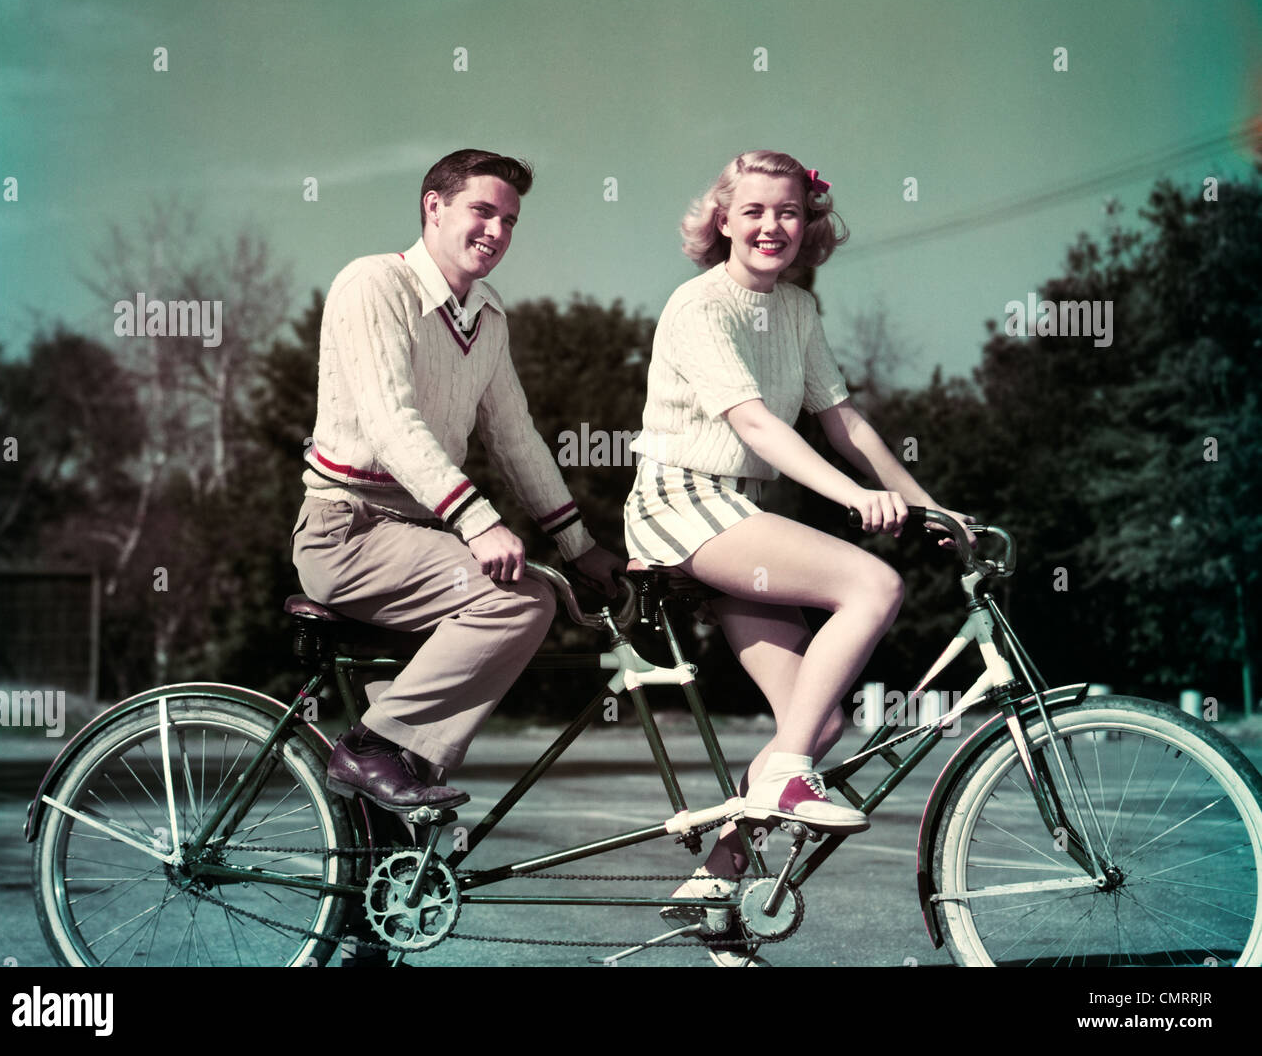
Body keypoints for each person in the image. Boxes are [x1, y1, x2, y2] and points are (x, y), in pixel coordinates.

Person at [623, 149, 974, 963]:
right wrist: (854, 500)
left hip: (732, 510)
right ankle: (782, 772)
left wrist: (924, 503)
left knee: (817, 718)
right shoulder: (697, 304)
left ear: (807, 222)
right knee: (871, 582)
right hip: (680, 505)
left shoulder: (798, 311)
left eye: (787, 211)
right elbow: (755, 425)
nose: (771, 226)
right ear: (722, 219)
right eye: (753, 211)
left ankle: (713, 886)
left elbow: (843, 421)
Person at [293, 148, 623, 813]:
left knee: (409, 783)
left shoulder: (488, 316)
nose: (497, 232)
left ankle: (381, 883)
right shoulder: (374, 284)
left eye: (510, 220)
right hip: (347, 531)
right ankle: (369, 750)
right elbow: (392, 422)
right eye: (482, 211)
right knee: (519, 600)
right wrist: (478, 520)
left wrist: (580, 546)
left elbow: (515, 437)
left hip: (418, 538)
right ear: (433, 206)